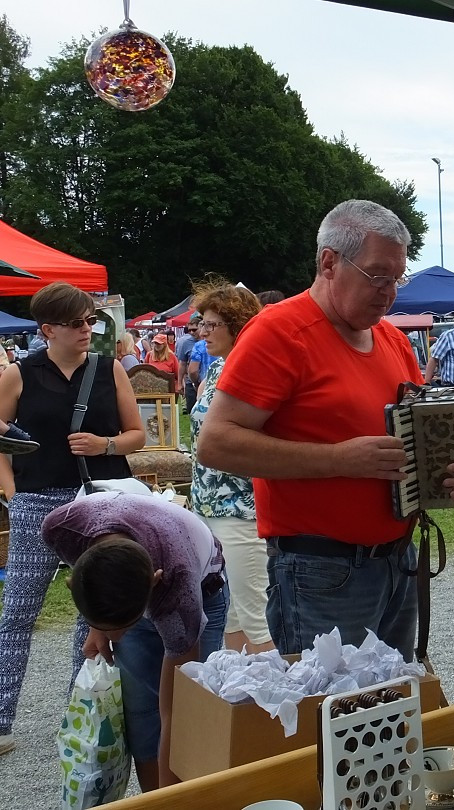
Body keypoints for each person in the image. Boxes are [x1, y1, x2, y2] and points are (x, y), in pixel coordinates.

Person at [197, 200, 454, 659]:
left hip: (396, 560)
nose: (390, 292)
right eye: (378, 275)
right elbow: (216, 444)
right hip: (322, 570)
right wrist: (340, 459)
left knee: (387, 712)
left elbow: (423, 434)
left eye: (398, 277)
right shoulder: (278, 332)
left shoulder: (393, 338)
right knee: (329, 720)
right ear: (329, 263)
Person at [0, 282, 144, 757]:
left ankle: (78, 709)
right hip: (37, 502)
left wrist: (103, 445)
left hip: (98, 501)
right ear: (47, 330)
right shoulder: (19, 375)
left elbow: (137, 436)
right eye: (77, 322)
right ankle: (1, 718)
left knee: (94, 612)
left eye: (90, 321)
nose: (88, 330)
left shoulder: (110, 369)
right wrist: (13, 492)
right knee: (18, 612)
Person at [41, 492, 227, 790]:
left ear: (153, 582)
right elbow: (87, 571)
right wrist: (97, 625)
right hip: (132, 575)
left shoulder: (179, 592)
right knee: (142, 715)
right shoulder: (59, 529)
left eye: (124, 628)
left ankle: (181, 799)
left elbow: (175, 715)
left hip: (205, 586)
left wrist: (170, 801)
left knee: (187, 715)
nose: (117, 638)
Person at [188, 282, 273, 653]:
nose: (202, 332)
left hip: (241, 511)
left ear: (238, 326)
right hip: (209, 508)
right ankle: (241, 703)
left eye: (212, 324)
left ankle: (281, 705)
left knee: (257, 619)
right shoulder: (218, 367)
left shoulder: (255, 371)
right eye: (200, 323)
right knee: (231, 619)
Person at [175, 318, 200, 413]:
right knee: (192, 413)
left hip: (207, 381)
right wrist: (180, 383)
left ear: (201, 327)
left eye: (194, 329)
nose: (192, 332)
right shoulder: (185, 343)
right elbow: (182, 363)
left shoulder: (210, 341)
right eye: (189, 330)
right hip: (191, 383)